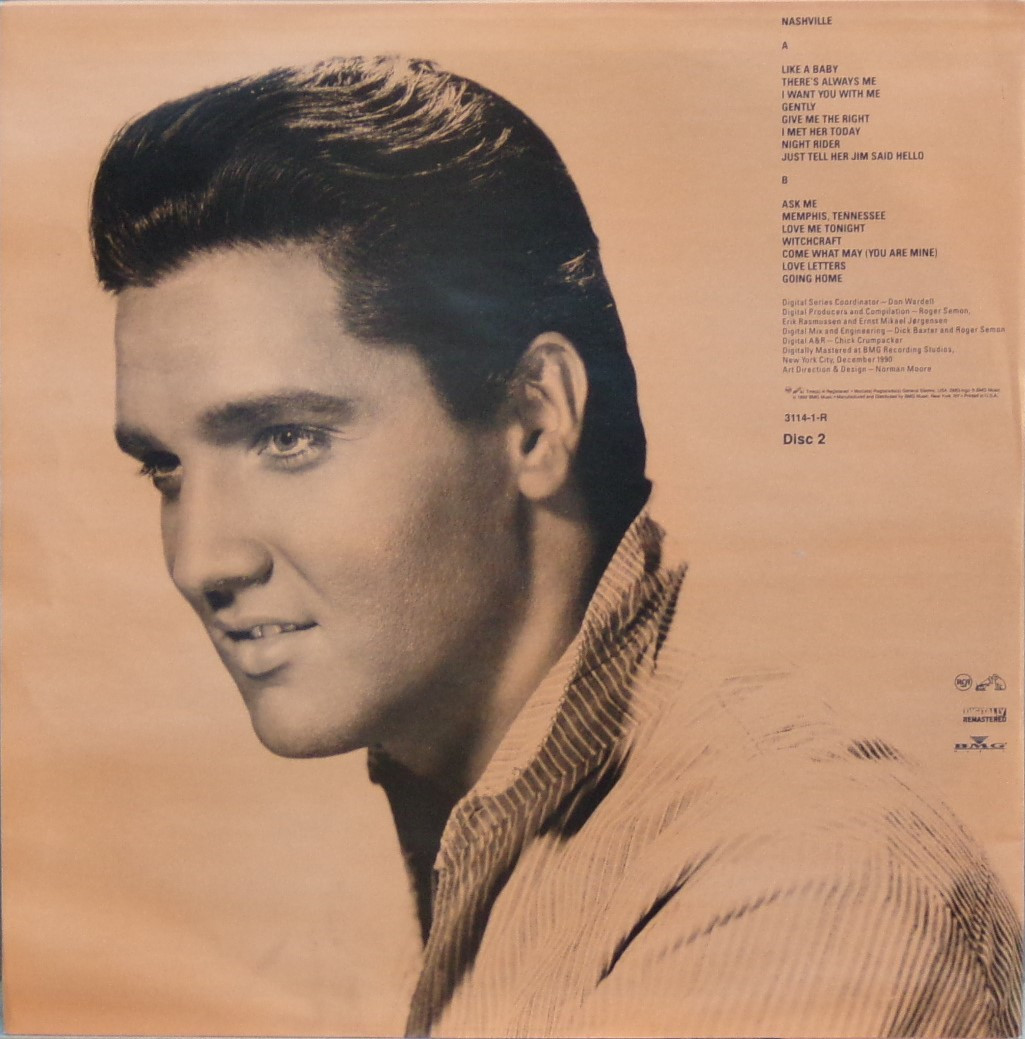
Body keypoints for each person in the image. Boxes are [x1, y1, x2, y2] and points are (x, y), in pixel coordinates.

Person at [91, 56, 1022, 1037]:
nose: (201, 562)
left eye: (287, 439)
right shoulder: (466, 812)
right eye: (166, 470)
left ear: (534, 420)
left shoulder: (799, 881)